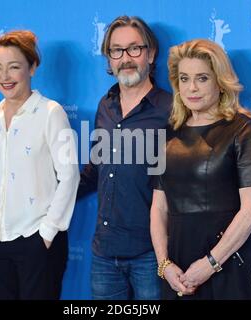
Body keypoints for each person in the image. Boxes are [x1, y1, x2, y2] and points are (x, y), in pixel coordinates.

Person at [150, 39, 251, 299]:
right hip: (178, 269)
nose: (192, 88)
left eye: (202, 78)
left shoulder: (243, 130)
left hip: (232, 262)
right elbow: (158, 207)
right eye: (184, 79)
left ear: (220, 82)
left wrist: (210, 263)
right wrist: (164, 265)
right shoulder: (166, 134)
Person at [0, 30, 80, 300]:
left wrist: (46, 233)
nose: (4, 77)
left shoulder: (51, 112)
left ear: (32, 67)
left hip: (36, 239)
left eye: (14, 67)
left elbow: (69, 176)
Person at [77, 16, 172, 300]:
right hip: (104, 253)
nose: (125, 59)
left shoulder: (171, 109)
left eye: (134, 49)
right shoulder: (105, 105)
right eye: (116, 51)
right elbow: (96, 166)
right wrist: (55, 192)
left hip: (151, 253)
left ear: (151, 53)